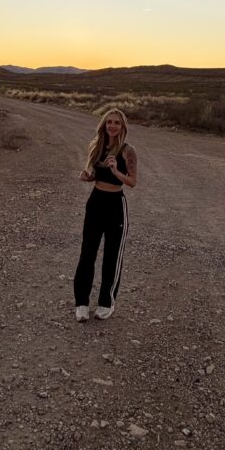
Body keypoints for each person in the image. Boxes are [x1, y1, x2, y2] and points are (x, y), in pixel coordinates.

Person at [74, 108, 137, 322]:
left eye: (117, 123)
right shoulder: (97, 146)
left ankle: (106, 303)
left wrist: (116, 171)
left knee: (112, 255)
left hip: (116, 204)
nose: (112, 126)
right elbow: (95, 175)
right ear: (104, 125)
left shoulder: (128, 151)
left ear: (122, 127)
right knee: (87, 253)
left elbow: (132, 181)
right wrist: (88, 177)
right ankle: (81, 303)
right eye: (109, 122)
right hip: (96, 202)